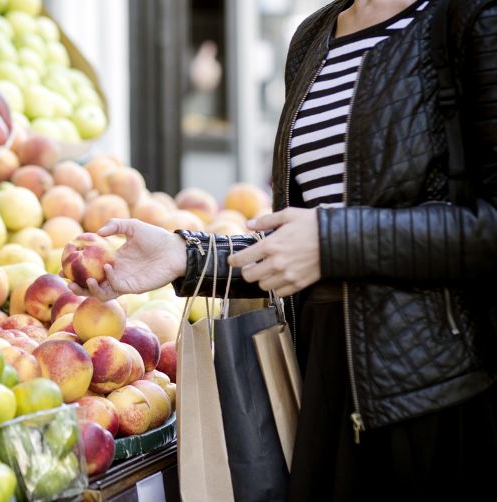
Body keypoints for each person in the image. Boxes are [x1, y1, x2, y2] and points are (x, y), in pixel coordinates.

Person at [71, 0, 497, 500]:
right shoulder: (314, 37)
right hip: (320, 381)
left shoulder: (468, 18)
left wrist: (332, 241)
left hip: (435, 398)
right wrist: (190, 257)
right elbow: (305, 243)